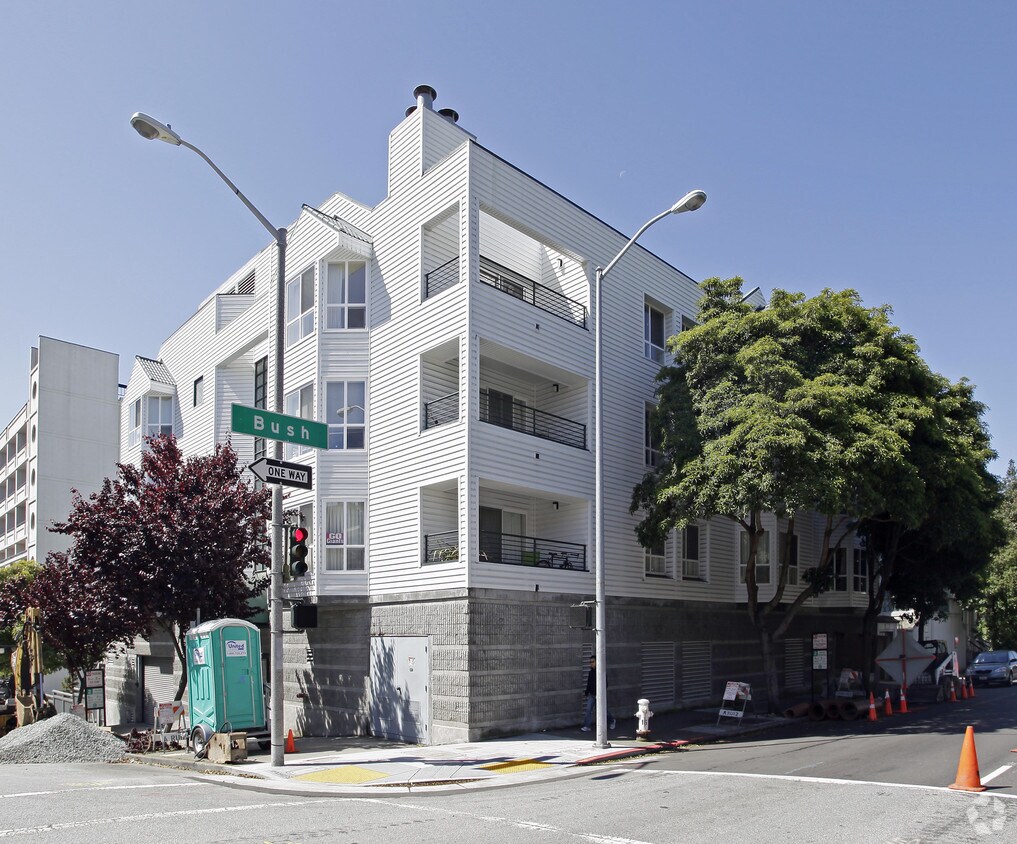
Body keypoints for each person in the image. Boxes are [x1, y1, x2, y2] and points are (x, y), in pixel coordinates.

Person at [581, 655, 616, 732]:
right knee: (588, 710)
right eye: (590, 662)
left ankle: (612, 720)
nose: (591, 664)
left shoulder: (601, 672)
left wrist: (601, 693)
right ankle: (587, 726)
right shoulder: (591, 673)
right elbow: (589, 683)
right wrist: (587, 692)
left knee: (603, 711)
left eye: (593, 662)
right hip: (592, 694)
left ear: (597, 662)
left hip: (599, 694)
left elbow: (605, 684)